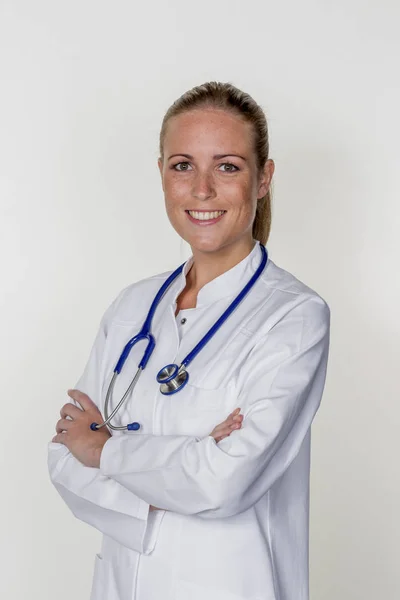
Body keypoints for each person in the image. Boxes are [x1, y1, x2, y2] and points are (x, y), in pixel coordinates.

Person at [48, 81, 331, 600]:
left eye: (227, 166)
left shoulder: (295, 316)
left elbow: (226, 484)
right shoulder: (132, 307)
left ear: (263, 178)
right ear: (161, 174)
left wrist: (106, 450)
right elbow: (65, 458)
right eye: (183, 165)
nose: (202, 190)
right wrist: (188, 457)